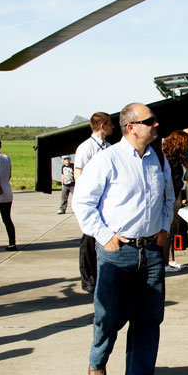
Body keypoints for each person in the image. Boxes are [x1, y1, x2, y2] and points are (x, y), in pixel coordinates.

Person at [72, 102, 175, 375]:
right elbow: (83, 203)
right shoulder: (107, 160)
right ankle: (98, 358)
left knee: (148, 319)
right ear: (131, 127)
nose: (156, 125)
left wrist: (164, 227)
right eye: (150, 121)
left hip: (152, 253)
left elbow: (169, 196)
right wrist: (105, 237)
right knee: (110, 317)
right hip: (118, 253)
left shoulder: (158, 158)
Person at [74, 112, 114, 293]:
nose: (113, 127)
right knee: (89, 239)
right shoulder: (86, 148)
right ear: (102, 126)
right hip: (93, 199)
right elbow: (78, 173)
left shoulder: (109, 147)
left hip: (107, 200)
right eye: (110, 124)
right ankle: (88, 279)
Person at [161, 130, 188, 272]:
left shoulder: (174, 157)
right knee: (168, 230)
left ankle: (169, 260)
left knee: (171, 231)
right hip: (172, 197)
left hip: (174, 196)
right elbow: (175, 181)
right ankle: (165, 263)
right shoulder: (171, 160)